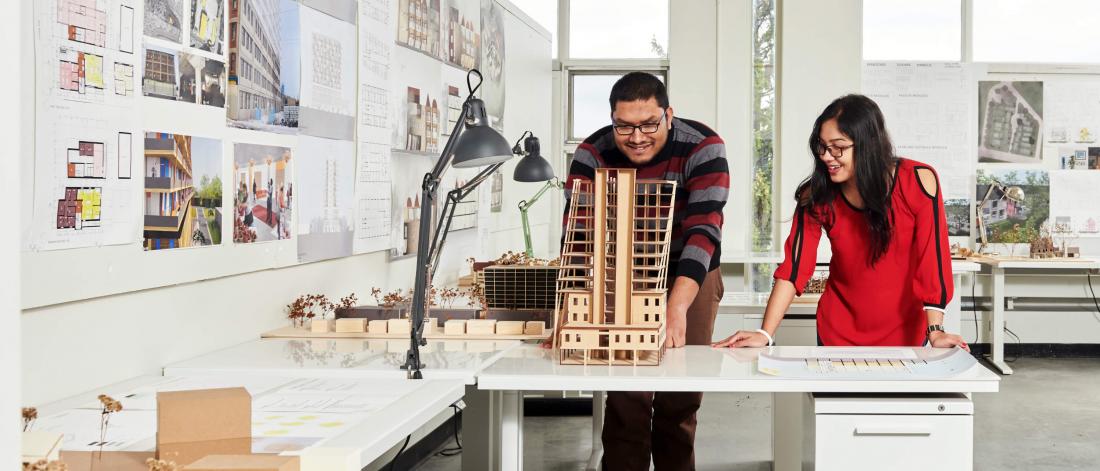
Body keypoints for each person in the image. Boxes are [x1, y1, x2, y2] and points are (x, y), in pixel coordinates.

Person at [564, 71, 728, 471]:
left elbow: (704, 229)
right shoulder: (593, 153)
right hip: (621, 271)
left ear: (668, 115)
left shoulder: (703, 147)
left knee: (680, 392)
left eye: (649, 124)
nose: (637, 137)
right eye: (624, 127)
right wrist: (569, 307)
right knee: (626, 394)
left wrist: (676, 308)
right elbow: (580, 236)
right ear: (611, 119)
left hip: (691, 271)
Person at [713, 94, 968, 350]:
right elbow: (794, 267)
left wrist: (936, 330)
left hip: (905, 335)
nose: (826, 156)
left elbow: (933, 261)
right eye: (822, 146)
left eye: (838, 147)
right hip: (836, 334)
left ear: (868, 144)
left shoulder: (918, 181)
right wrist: (765, 334)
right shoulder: (815, 196)